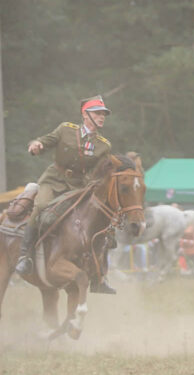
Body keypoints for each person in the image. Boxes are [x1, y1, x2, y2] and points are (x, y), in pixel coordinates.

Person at [15, 95, 116, 294]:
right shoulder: (66, 129)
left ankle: (99, 276)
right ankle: (25, 257)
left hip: (79, 186)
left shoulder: (105, 145)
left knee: (101, 219)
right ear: (85, 115)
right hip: (53, 180)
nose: (102, 117)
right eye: (97, 113)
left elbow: (100, 171)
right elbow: (46, 141)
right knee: (41, 207)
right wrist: (36, 145)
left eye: (104, 114)